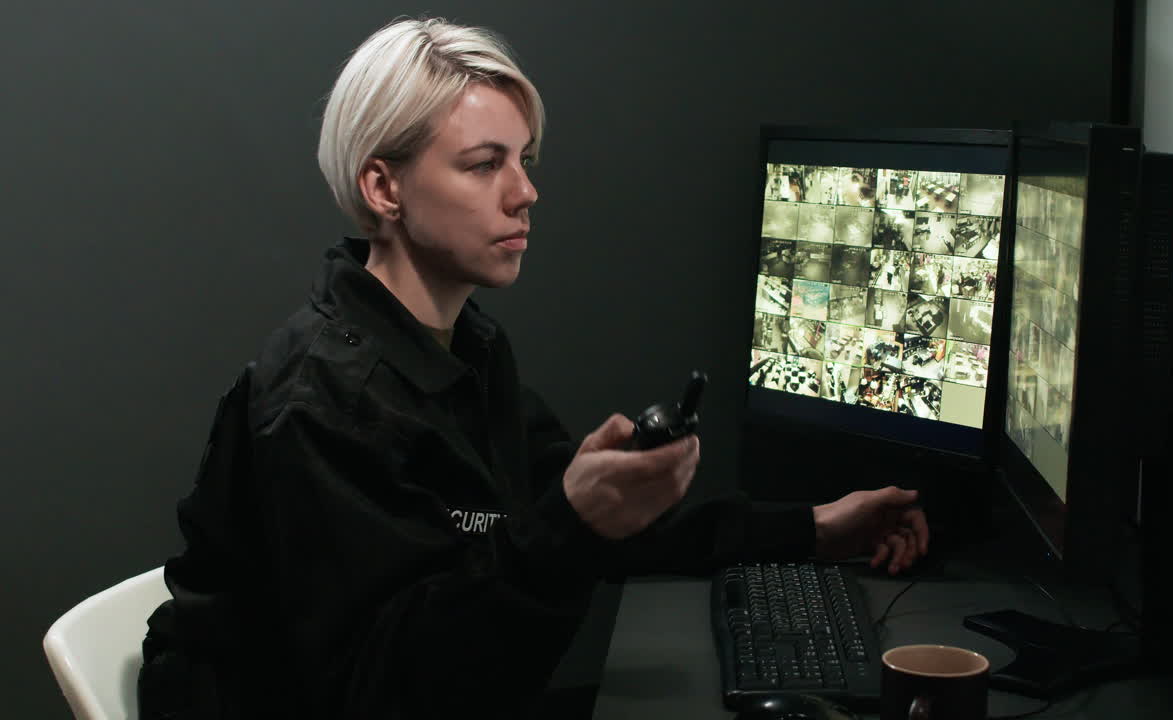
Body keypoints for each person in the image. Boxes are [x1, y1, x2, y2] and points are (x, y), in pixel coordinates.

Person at [138, 16, 929, 720]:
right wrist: (569, 527)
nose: (526, 192)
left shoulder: (464, 350)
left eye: (523, 159)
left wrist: (813, 528)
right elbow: (384, 691)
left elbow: (577, 517)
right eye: (485, 164)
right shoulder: (326, 401)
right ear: (383, 187)